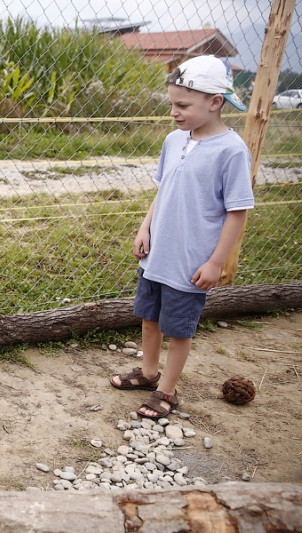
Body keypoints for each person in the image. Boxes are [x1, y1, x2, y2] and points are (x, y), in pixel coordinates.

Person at [110, 55, 254, 419]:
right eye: (172, 103)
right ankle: (148, 372)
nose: (174, 112)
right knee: (149, 318)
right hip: (158, 255)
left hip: (190, 263)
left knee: (178, 328)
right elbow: (163, 190)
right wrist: (145, 227)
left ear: (215, 102)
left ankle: (167, 391)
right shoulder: (174, 140)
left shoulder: (232, 151)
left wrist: (216, 261)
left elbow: (237, 211)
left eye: (183, 105)